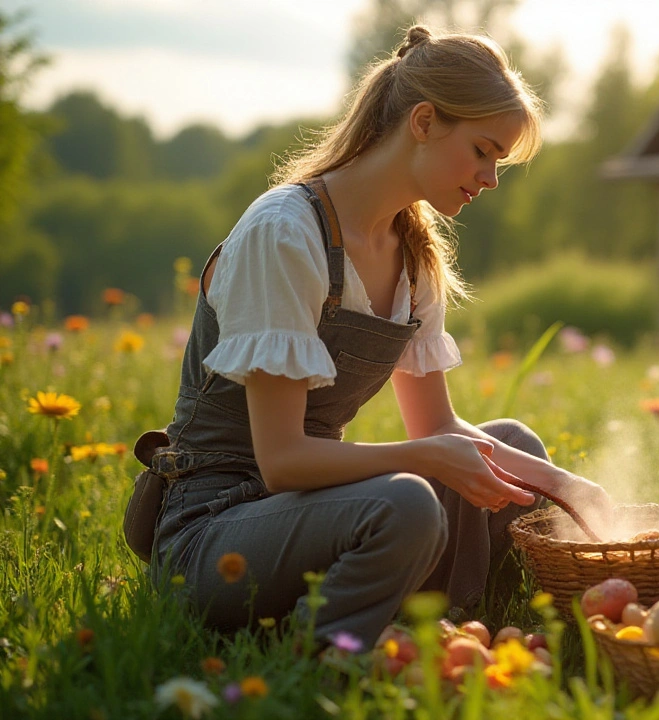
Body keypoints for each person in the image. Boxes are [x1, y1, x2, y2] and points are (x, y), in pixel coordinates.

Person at [134, 26, 613, 653]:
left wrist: (571, 487)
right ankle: (317, 658)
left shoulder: (414, 255)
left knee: (513, 445)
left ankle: (441, 625)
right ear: (423, 121)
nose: (491, 178)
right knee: (407, 503)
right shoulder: (285, 233)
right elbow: (282, 463)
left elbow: (435, 424)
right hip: (216, 531)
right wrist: (426, 459)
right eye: (482, 151)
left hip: (317, 508)